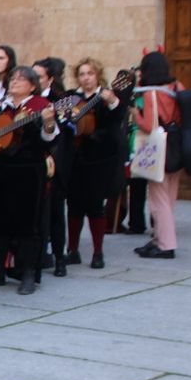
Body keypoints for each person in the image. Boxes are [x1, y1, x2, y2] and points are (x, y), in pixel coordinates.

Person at [0, 65, 59, 295]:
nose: (14, 82)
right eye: (13, 78)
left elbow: (50, 138)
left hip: (28, 171)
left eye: (21, 79)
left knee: (28, 224)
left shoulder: (41, 107)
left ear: (33, 86)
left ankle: (27, 272)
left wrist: (48, 123)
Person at [64, 58, 126, 270]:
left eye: (90, 73)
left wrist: (111, 101)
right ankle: (72, 250)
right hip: (75, 159)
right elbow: (60, 117)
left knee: (95, 207)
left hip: (98, 160)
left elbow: (117, 117)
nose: (86, 77)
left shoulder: (107, 96)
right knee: (73, 207)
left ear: (97, 75)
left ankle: (98, 253)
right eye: (82, 74)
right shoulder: (72, 97)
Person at [131, 51, 181, 260]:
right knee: (169, 196)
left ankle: (166, 245)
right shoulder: (177, 87)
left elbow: (149, 125)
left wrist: (135, 115)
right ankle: (160, 239)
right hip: (178, 144)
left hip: (159, 148)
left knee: (158, 198)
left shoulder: (151, 93)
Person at [33, 57, 72, 277]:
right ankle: (38, 256)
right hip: (33, 163)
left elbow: (67, 126)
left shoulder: (61, 99)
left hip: (55, 161)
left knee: (56, 211)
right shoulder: (28, 101)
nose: (35, 80)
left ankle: (59, 257)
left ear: (50, 79)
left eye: (39, 77)